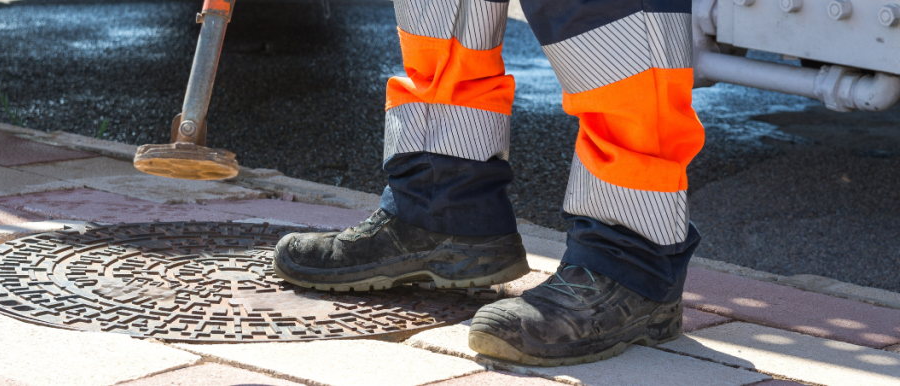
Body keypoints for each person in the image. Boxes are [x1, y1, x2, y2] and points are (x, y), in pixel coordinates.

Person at [273, 0, 704, 366]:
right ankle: (443, 200)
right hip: (438, 194)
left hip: (634, 254)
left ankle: (632, 255)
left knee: (605, 17)